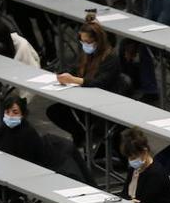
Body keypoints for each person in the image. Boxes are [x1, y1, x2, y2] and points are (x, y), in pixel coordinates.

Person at [47, 17, 123, 146]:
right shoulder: (87, 54)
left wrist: (74, 79)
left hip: (103, 101)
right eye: (82, 42)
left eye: (87, 42)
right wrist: (63, 73)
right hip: (84, 97)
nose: (84, 46)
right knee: (55, 111)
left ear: (98, 41)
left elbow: (100, 83)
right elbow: (75, 67)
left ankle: (85, 137)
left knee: (62, 112)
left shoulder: (111, 58)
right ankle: (81, 135)